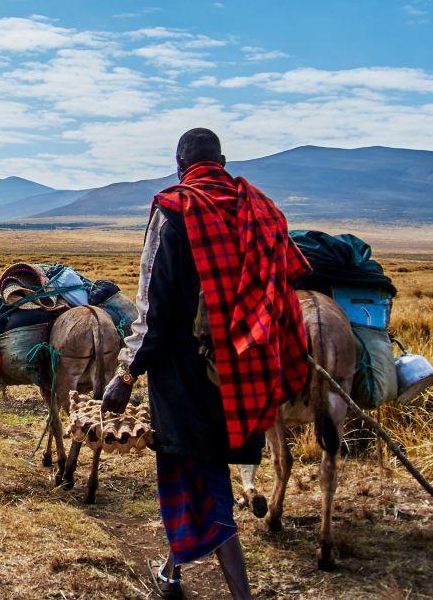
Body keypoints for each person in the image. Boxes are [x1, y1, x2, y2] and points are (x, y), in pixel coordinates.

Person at [100, 129, 310, 600]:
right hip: (247, 373)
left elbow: (155, 307)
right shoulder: (258, 208)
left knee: (205, 486)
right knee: (203, 477)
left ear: (179, 164)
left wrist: (125, 374)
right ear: (222, 160)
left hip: (186, 378)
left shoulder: (175, 209)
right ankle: (171, 575)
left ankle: (241, 595)